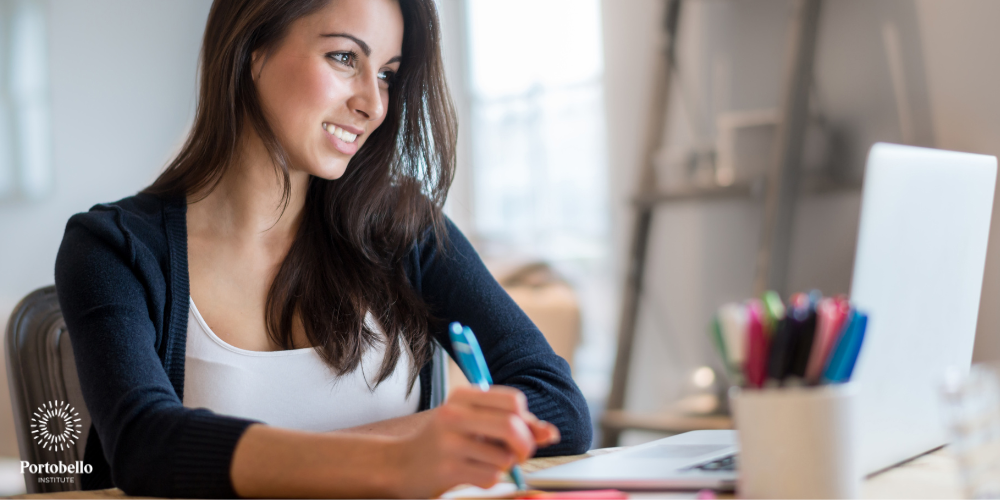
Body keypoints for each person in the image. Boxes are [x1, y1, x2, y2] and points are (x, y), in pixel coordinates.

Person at [53, 0, 591, 497]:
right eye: (343, 58)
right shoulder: (111, 247)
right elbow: (143, 444)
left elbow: (558, 404)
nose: (373, 103)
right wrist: (397, 461)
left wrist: (395, 454)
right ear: (252, 49)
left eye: (387, 74)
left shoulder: (402, 227)